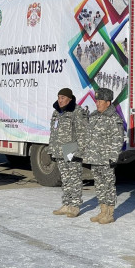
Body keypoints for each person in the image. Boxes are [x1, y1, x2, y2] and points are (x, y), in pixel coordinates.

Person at [83, 88, 124, 224]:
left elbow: (117, 139)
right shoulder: (94, 116)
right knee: (99, 186)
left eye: (100, 101)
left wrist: (113, 157)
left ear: (108, 102)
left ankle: (109, 214)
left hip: (106, 159)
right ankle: (102, 211)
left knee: (108, 186)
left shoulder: (114, 118)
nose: (97, 103)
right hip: (95, 158)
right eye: (97, 101)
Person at [48, 88, 89, 218]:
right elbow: (53, 132)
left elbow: (83, 133)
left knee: (74, 178)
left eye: (63, 98)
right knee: (65, 179)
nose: (60, 100)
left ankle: (75, 206)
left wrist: (79, 151)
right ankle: (66, 204)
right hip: (59, 150)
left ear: (69, 99)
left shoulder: (77, 112)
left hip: (71, 148)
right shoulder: (57, 112)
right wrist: (51, 149)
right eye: (59, 97)